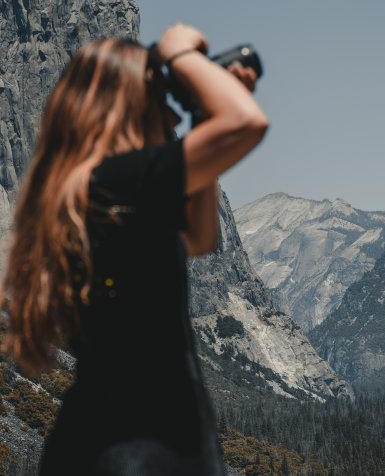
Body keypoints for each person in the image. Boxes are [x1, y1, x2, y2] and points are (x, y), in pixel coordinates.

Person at [0, 23, 268, 475]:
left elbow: (200, 239)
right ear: (132, 107)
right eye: (162, 99)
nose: (174, 116)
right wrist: (179, 53)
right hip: (136, 453)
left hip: (116, 444)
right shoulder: (112, 183)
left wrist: (205, 111)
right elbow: (244, 124)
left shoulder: (103, 192)